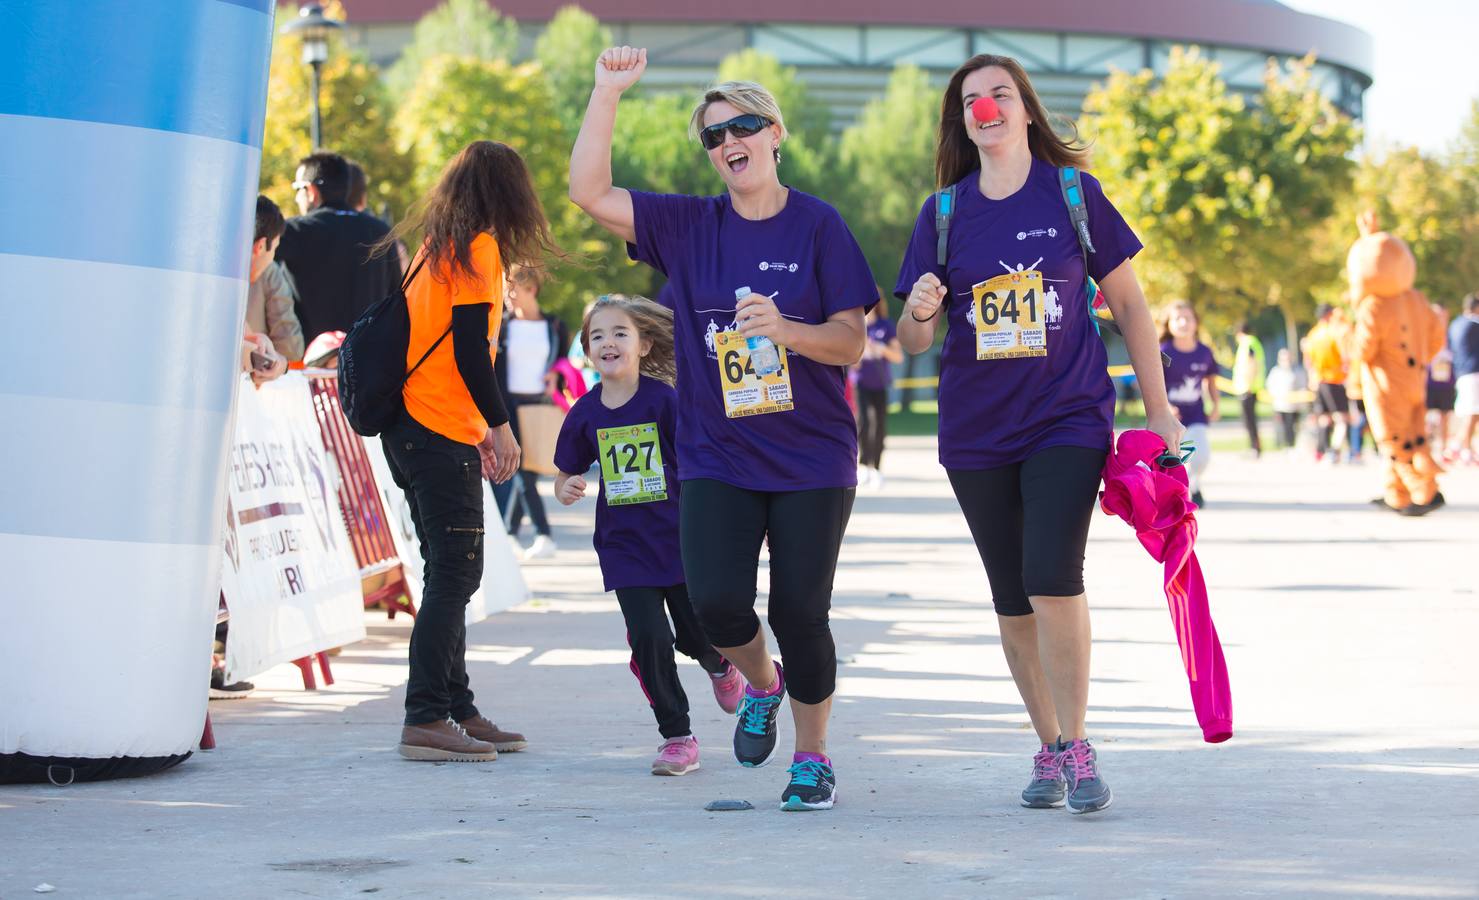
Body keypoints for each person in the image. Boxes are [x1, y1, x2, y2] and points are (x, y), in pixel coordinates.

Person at [571, 47, 876, 812]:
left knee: (800, 613)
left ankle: (811, 758)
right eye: (712, 135)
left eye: (742, 125)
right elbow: (588, 190)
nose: (728, 142)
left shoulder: (820, 226)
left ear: (774, 134)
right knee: (714, 605)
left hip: (811, 457)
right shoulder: (687, 226)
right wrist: (607, 91)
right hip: (718, 455)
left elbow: (850, 342)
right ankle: (763, 687)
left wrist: (787, 329)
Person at [896, 53, 1180, 815]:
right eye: (970, 100)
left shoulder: (1072, 193)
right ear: (961, 122)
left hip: (1066, 414)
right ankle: (1048, 743)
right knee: (1011, 596)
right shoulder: (943, 214)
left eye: (999, 94)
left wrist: (1157, 411)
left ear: (1024, 109)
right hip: (975, 429)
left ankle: (1080, 743)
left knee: (1052, 573)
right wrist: (921, 308)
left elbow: (1130, 308)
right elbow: (912, 343)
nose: (985, 107)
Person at [373, 140, 553, 762]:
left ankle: (457, 706)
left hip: (413, 425)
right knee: (455, 574)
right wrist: (498, 428)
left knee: (447, 571)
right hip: (438, 426)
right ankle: (425, 715)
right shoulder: (479, 248)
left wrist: (478, 426)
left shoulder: (434, 248)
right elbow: (471, 353)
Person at [553, 295, 744, 776]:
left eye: (620, 333)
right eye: (597, 336)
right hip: (624, 546)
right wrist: (567, 487)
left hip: (679, 538)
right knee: (648, 638)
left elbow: (702, 457)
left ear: (644, 345)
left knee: (698, 631)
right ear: (587, 350)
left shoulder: (665, 401)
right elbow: (564, 472)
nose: (608, 342)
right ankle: (677, 736)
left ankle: (719, 663)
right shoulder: (584, 413)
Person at [276, 151, 403, 341]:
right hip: (368, 361)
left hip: (309, 364)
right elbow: (396, 301)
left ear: (311, 191)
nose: (296, 198)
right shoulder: (380, 232)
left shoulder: (293, 232)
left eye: (297, 189)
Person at [495, 264, 569, 560]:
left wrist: (557, 377)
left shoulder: (554, 326)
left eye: (514, 291)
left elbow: (564, 364)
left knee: (528, 472)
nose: (509, 298)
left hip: (540, 405)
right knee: (522, 473)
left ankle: (511, 535)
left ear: (532, 290)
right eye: (506, 292)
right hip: (508, 405)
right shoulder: (502, 326)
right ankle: (542, 534)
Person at [1161, 301, 1219, 506]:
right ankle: (1180, 494)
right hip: (1169, 419)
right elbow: (1152, 384)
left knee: (1201, 455)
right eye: (1178, 318)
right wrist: (1165, 408)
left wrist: (1216, 405)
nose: (1184, 322)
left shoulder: (1204, 352)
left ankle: (1194, 484)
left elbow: (1210, 380)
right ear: (1168, 324)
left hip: (1196, 415)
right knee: (1173, 460)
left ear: (1196, 322)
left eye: (1188, 318)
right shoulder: (1162, 351)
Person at [246, 195, 305, 363]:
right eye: (275, 249)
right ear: (261, 246)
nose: (273, 257)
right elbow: (291, 348)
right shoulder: (270, 274)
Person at [855, 291, 903, 489]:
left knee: (879, 426)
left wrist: (880, 349)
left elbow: (898, 357)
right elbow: (850, 362)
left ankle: (877, 468)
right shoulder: (857, 327)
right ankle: (864, 465)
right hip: (861, 383)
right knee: (865, 424)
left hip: (880, 384)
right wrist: (860, 352)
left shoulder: (886, 326)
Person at [1304, 303, 1349, 463]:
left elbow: (1308, 361)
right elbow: (1345, 358)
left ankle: (1320, 450)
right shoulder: (1334, 334)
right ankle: (1334, 451)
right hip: (1334, 379)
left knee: (1324, 418)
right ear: (1330, 315)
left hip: (1318, 380)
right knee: (1341, 419)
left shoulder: (1312, 334)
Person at [1450, 292, 1479, 464]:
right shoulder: (1474, 323)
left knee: (1473, 411)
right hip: (1474, 371)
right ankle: (1465, 450)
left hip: (1460, 372)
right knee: (1472, 412)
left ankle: (1456, 446)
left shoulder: (1455, 323)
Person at [1426, 303, 1456, 459]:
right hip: (1429, 382)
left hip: (1447, 381)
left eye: (1443, 314)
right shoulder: (1426, 333)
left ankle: (1444, 449)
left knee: (1445, 415)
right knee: (1426, 416)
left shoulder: (1451, 334)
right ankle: (1427, 450)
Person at [1232, 321, 1265, 457]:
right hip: (1248, 387)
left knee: (1249, 420)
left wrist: (1249, 384)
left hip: (1248, 388)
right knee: (1249, 419)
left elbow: (1252, 363)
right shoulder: (1252, 342)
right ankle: (1253, 447)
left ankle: (1255, 448)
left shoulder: (1248, 343)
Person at [1266, 348, 1308, 451]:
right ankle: (1283, 445)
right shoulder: (1275, 371)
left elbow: (1303, 386)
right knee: (1281, 428)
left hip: (1294, 406)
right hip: (1280, 405)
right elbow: (1270, 386)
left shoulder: (1298, 371)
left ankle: (1292, 446)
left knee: (1293, 427)